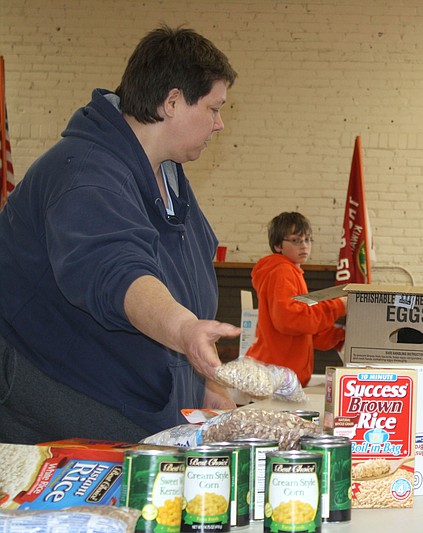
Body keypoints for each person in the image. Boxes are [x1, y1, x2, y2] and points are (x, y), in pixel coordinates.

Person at [0, 26, 240, 444]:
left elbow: (186, 280)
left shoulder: (168, 176)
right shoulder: (85, 173)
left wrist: (206, 383)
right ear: (172, 101)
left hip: (141, 398)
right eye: (213, 108)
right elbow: (116, 272)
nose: (219, 124)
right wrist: (184, 329)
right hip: (62, 394)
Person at [246, 212, 346, 386]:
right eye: (296, 240)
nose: (304, 246)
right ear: (278, 245)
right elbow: (290, 319)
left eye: (308, 240)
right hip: (275, 375)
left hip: (276, 374)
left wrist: (341, 336)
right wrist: (339, 306)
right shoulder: (282, 271)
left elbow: (305, 329)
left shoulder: (291, 271)